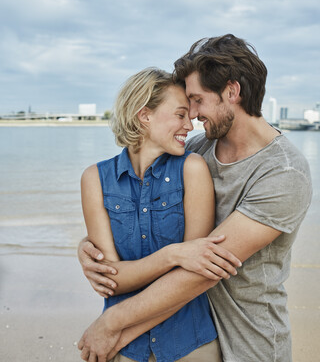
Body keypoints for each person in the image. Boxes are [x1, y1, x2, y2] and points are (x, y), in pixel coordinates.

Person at [78, 35, 312, 362]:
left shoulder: (284, 174)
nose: (193, 114)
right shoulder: (195, 150)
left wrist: (112, 325)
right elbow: (137, 198)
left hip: (249, 341)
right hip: (188, 322)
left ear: (231, 92)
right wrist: (88, 247)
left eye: (197, 100)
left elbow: (201, 270)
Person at [79, 67, 241, 362]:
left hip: (190, 345)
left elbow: (195, 273)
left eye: (190, 117)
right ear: (145, 115)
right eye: (180, 115)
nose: (189, 126)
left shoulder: (192, 169)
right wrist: (174, 255)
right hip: (120, 349)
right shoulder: (94, 179)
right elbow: (111, 279)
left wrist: (177, 261)